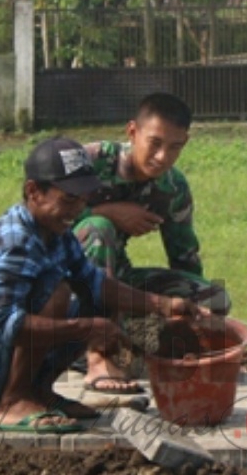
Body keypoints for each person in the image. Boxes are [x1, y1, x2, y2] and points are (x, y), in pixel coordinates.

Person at [0, 137, 211, 433]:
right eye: (69, 199)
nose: (78, 209)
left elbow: (96, 283)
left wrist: (164, 305)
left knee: (97, 296)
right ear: (34, 191)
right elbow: (8, 324)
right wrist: (88, 328)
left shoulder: (56, 231)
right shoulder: (16, 241)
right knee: (57, 291)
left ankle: (39, 393)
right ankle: (13, 401)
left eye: (84, 199)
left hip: (0, 362)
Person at [73, 92, 230, 392]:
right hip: (63, 285)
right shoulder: (90, 162)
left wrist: (193, 316)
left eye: (174, 148)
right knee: (98, 228)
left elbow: (184, 257)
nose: (162, 157)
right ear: (132, 132)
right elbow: (39, 216)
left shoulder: (172, 187)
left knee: (213, 299)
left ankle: (138, 348)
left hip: (116, 277)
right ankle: (99, 356)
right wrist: (105, 211)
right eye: (154, 143)